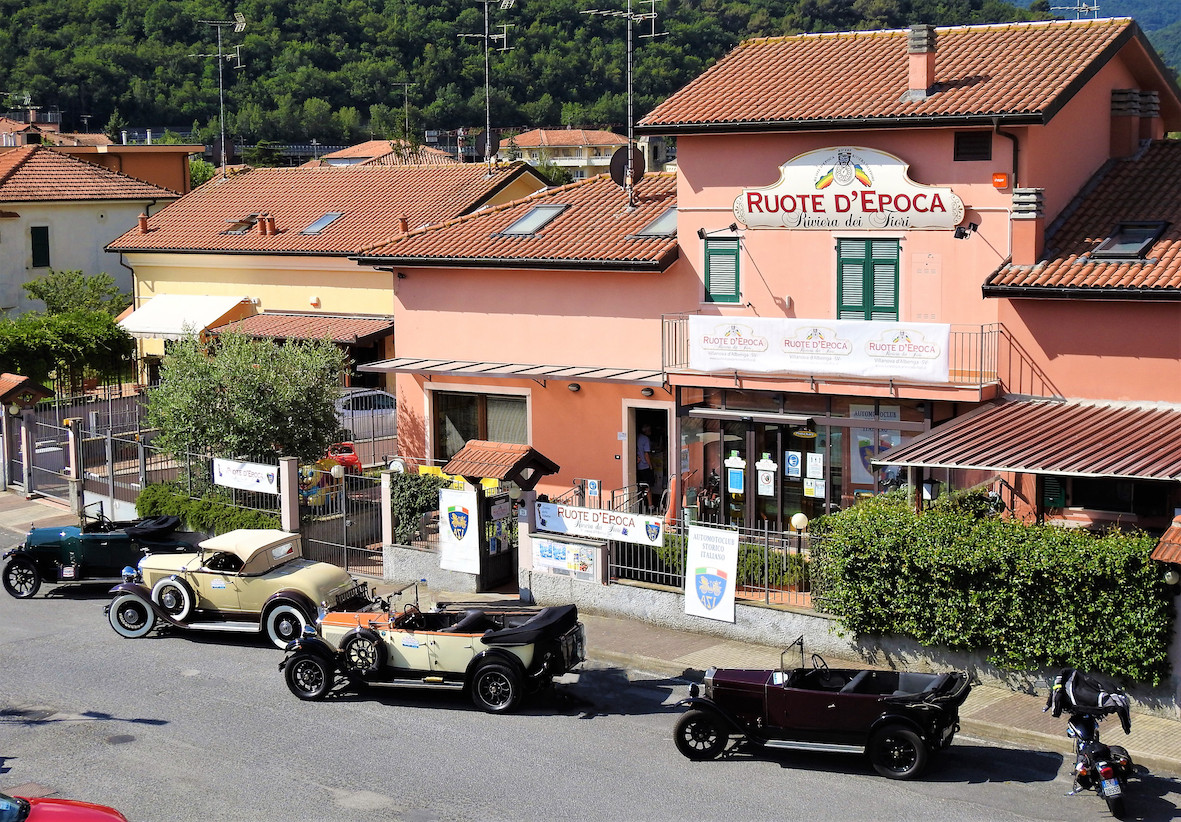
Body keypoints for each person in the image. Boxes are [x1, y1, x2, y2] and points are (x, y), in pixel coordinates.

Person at [637, 424, 655, 510]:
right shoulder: (645, 439)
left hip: (637, 466)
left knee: (640, 486)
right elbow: (646, 454)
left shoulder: (636, 437)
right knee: (648, 487)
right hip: (644, 466)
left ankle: (640, 504)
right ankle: (650, 505)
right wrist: (650, 465)